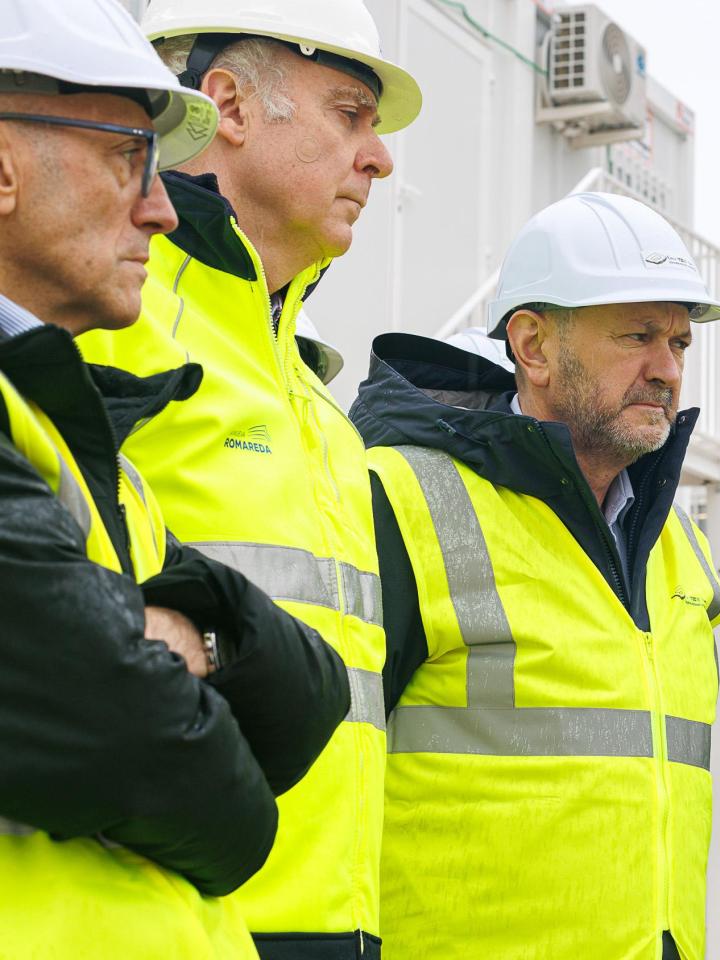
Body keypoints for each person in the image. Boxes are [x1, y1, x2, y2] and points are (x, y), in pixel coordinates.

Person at [72, 1, 422, 954]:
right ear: (225, 102)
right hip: (173, 923)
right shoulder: (107, 331)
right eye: (350, 113)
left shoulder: (321, 410)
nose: (380, 158)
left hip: (336, 929)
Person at [0, 0, 347, 953]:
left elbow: (312, 696)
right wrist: (170, 654)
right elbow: (127, 736)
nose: (160, 205)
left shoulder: (63, 427)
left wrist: (187, 639)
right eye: (126, 157)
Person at [352, 192, 720, 960]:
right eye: (638, 335)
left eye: (681, 344)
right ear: (532, 345)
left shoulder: (678, 547)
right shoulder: (397, 499)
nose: (666, 369)